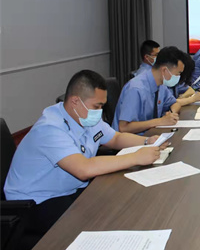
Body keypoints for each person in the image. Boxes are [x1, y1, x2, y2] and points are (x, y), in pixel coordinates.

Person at [4, 70, 166, 238]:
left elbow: (115, 138)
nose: (100, 111)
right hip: (35, 201)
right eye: (97, 106)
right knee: (92, 226)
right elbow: (83, 169)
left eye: (102, 106)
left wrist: (147, 141)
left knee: (115, 204)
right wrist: (135, 157)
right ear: (75, 101)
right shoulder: (50, 128)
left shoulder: (85, 117)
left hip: (67, 190)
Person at [112, 46, 200, 134]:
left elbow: (174, 103)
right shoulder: (136, 88)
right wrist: (160, 121)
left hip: (151, 135)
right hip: (131, 139)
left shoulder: (161, 85)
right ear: (164, 70)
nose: (178, 77)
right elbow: (124, 127)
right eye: (178, 73)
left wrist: (171, 114)